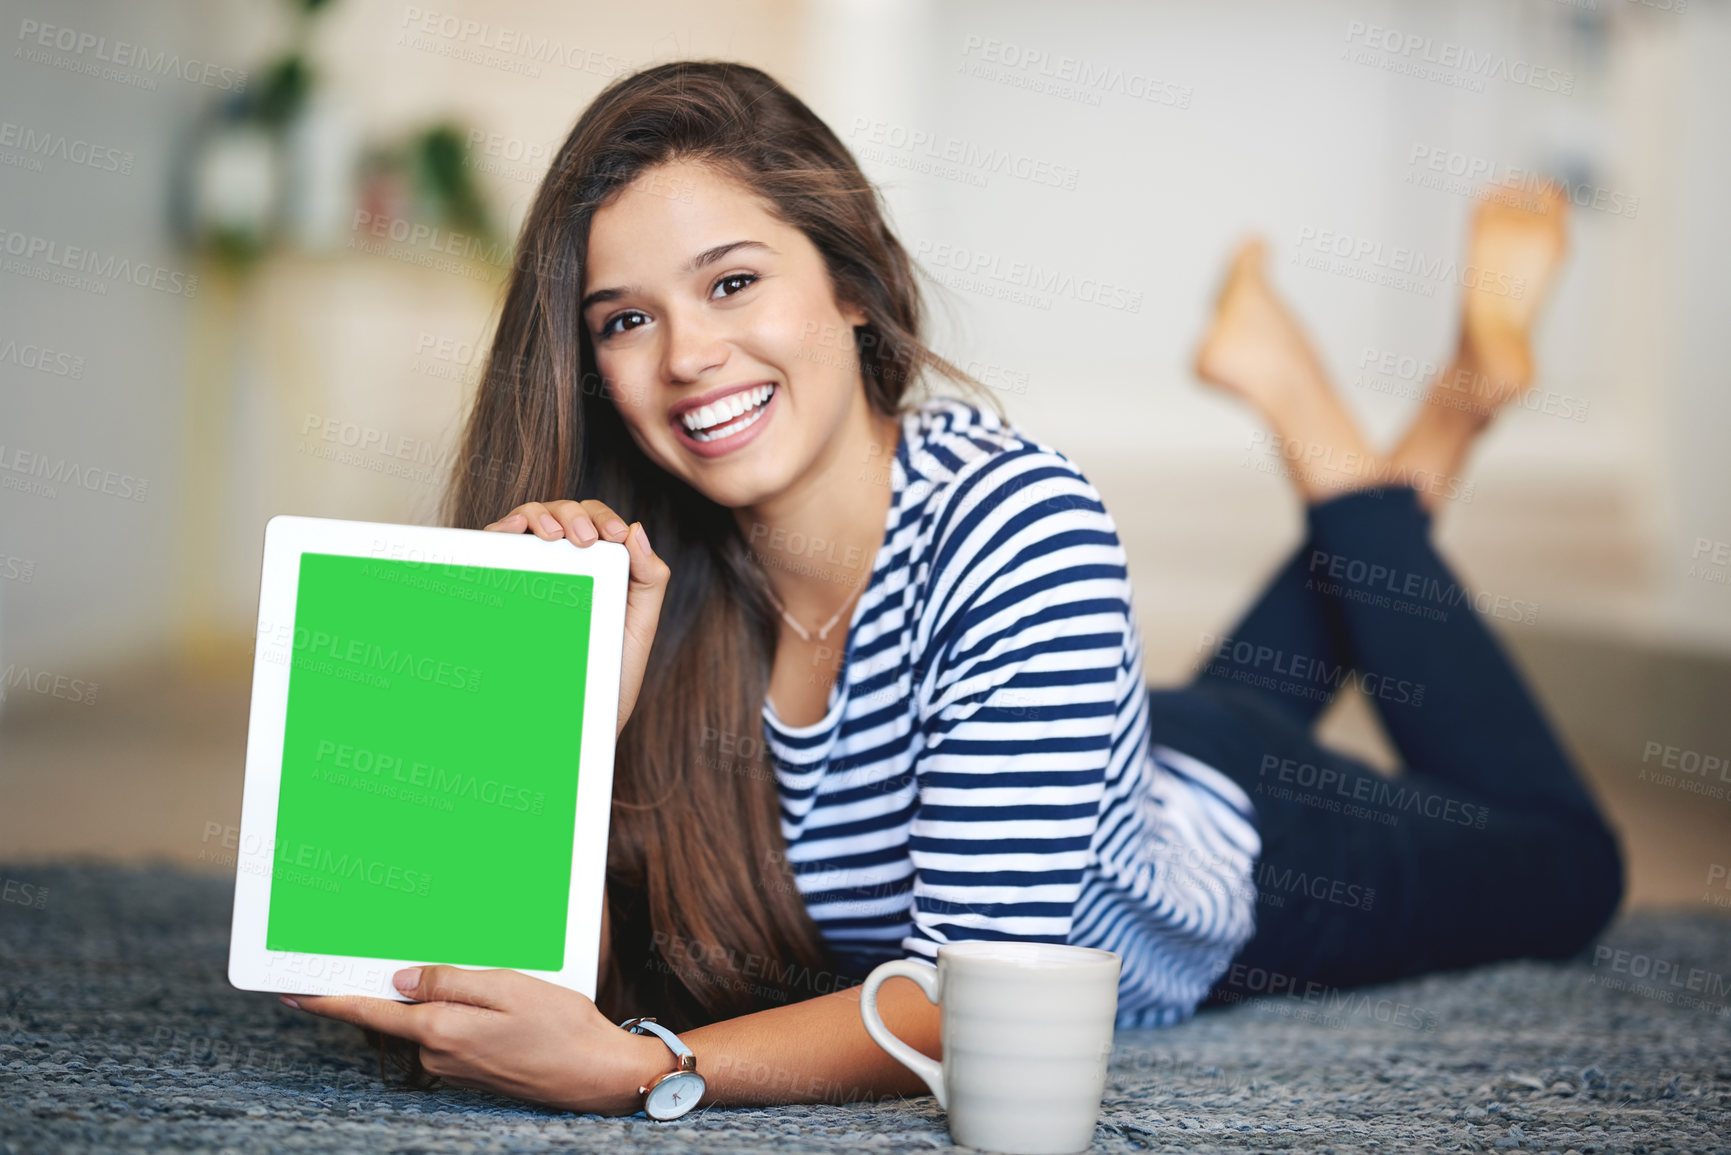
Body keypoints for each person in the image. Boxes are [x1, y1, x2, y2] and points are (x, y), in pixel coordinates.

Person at [283, 60, 1622, 1115]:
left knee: (1572, 870)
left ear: (852, 289)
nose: (688, 355)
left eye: (734, 282)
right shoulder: (632, 568)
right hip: (1075, 747)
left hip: (1231, 842)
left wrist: (648, 1071)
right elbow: (446, 979)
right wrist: (576, 713)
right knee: (1171, 719)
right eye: (625, 319)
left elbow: (967, 1000)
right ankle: (1415, 414)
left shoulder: (1019, 522)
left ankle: (1370, 417)